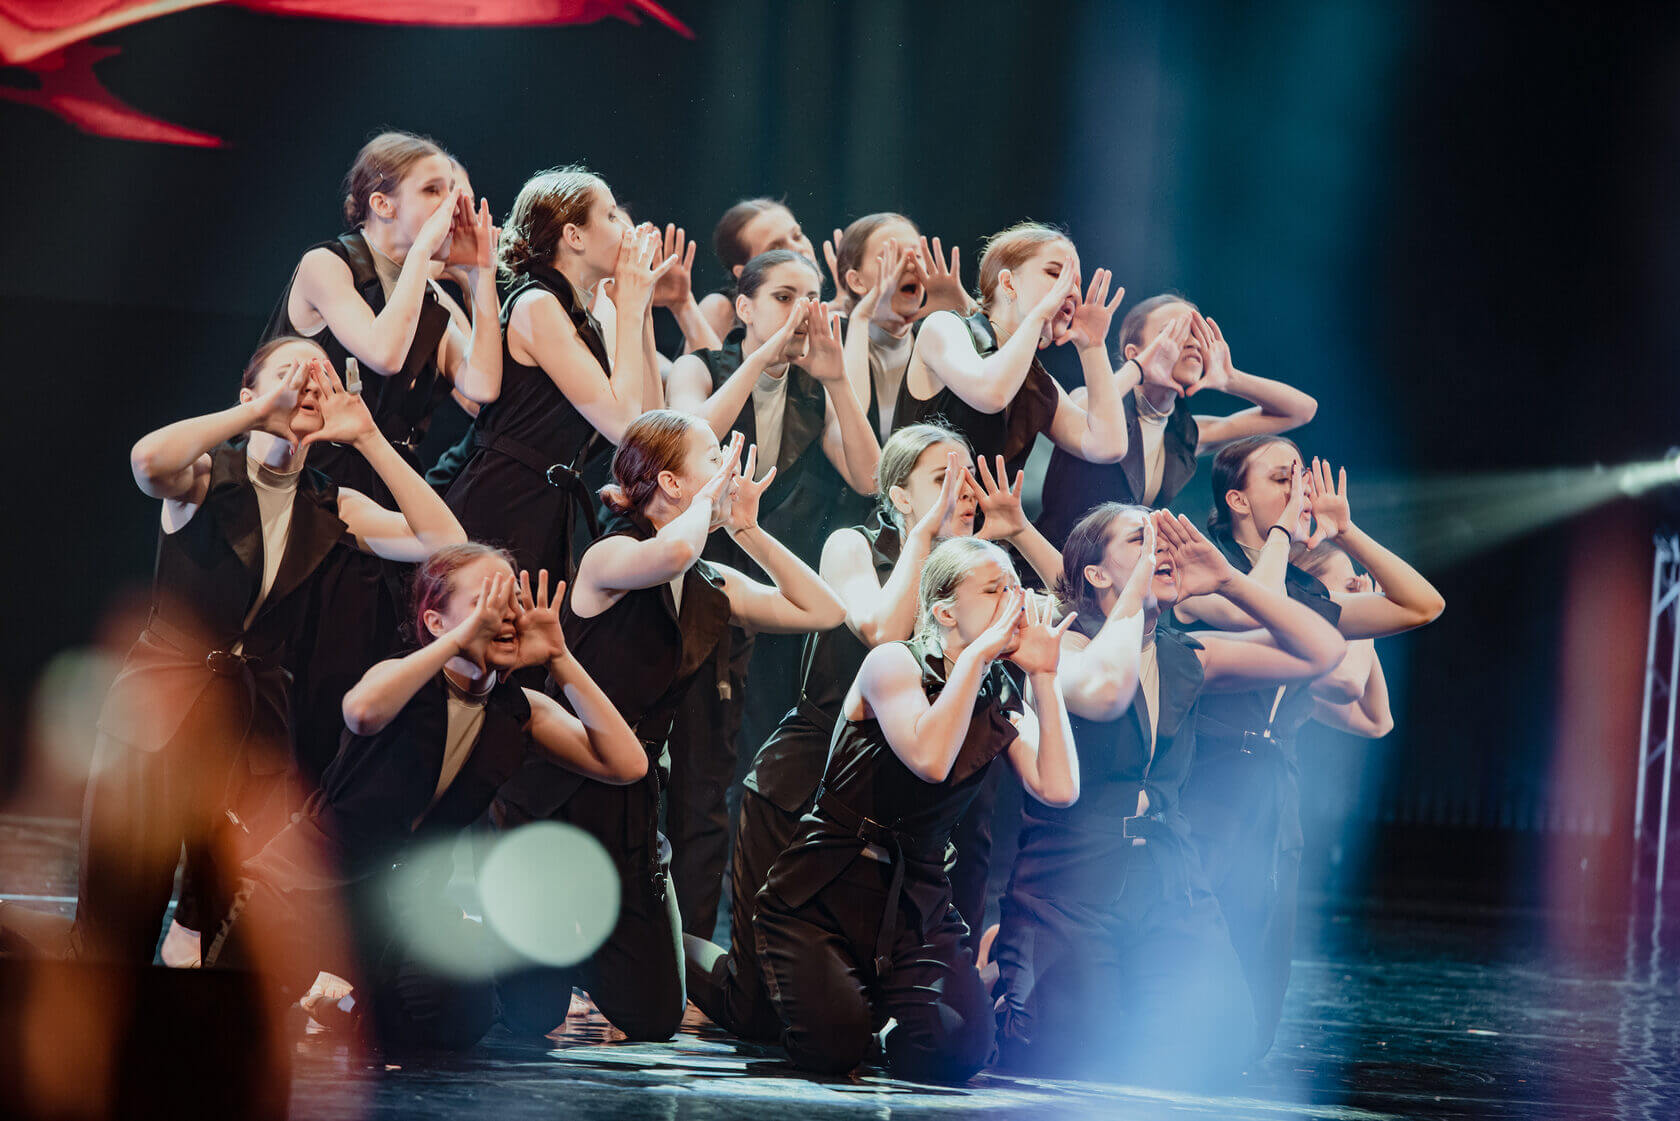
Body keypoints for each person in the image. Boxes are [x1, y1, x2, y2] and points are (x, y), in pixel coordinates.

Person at [0, 339, 466, 966]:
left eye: (320, 377)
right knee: (116, 926)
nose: (308, 384)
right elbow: (146, 459)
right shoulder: (203, 476)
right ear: (249, 395)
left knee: (223, 928)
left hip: (252, 726)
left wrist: (368, 438)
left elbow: (448, 544)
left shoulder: (330, 502)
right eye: (290, 373)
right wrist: (255, 415)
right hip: (156, 715)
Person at [684, 423, 1061, 1040]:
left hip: (912, 804)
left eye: (969, 479)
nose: (964, 492)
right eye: (944, 479)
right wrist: (923, 537)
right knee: (758, 1010)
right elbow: (882, 630)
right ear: (900, 495)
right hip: (810, 785)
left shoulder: (978, 573)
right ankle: (666, 948)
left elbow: (1070, 611)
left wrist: (1017, 533)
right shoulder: (853, 544)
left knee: (920, 1014)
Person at [203, 546, 645, 1053]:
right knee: (225, 1025)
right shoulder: (401, 678)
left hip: (401, 908)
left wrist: (560, 659)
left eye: (514, 602)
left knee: (460, 1015)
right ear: (435, 621)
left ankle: (342, 1005)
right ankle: (309, 984)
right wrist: (458, 640)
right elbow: (361, 711)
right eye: (486, 601)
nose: (505, 615)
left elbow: (627, 764)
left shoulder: (519, 710)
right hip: (309, 884)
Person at [490, 412, 845, 1042]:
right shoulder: (610, 554)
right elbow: (672, 551)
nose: (728, 467)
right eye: (714, 458)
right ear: (672, 484)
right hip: (561, 786)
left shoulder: (709, 582)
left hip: (631, 798)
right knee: (530, 1016)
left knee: (654, 1017)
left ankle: (597, 951)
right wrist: (712, 503)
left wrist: (747, 528)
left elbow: (822, 609)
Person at [992, 504, 1347, 1087]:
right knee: (1071, 1054)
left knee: (1221, 1047)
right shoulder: (1060, 650)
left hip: (1168, 878)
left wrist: (1229, 581)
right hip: (1073, 883)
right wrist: (1138, 594)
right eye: (1141, 539)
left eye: (1164, 538)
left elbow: (1323, 652)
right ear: (1096, 574)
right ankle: (1003, 976)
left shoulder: (1184, 655)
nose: (1161, 549)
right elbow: (1107, 690)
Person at [750, 538, 1079, 1082]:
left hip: (915, 897)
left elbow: (1058, 788)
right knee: (831, 1048)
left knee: (962, 1052)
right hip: (826, 888)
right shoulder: (893, 662)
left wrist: (1044, 677)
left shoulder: (997, 689)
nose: (1015, 601)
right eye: (995, 590)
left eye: (1015, 588)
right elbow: (930, 759)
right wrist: (977, 657)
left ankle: (881, 1022)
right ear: (946, 613)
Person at [1174, 441, 1445, 1057]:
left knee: (1262, 978)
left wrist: (1347, 533)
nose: (1300, 490)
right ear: (1237, 499)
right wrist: (1280, 535)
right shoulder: (1201, 565)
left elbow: (1421, 605)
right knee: (1196, 946)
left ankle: (1235, 1055)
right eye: (1282, 478)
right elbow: (1255, 610)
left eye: (1302, 477)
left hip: (1273, 791)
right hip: (1201, 784)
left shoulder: (1302, 590)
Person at [661, 253, 879, 937]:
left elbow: (870, 476)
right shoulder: (702, 365)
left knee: (773, 768)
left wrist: (838, 378)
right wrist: (761, 357)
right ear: (745, 306)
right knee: (701, 774)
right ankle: (693, 937)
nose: (802, 312)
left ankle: (761, 930)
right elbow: (685, 444)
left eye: (812, 298)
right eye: (785, 296)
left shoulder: (819, 384)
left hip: (786, 593)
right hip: (710, 586)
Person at [442, 167, 675, 582]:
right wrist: (630, 308)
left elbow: (648, 430)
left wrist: (640, 313)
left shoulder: (577, 315)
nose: (627, 229)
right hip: (501, 500)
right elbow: (623, 425)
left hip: (544, 505)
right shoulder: (537, 304)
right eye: (611, 216)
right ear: (574, 236)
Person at [261, 130, 501, 500]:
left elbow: (482, 389)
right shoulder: (326, 265)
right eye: (433, 190)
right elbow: (384, 354)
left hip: (387, 485)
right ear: (382, 204)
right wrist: (423, 250)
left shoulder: (427, 295)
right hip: (310, 478)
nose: (453, 205)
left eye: (453, 191)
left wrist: (479, 276)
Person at [1036, 293, 1318, 547]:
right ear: (1134, 354)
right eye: (1174, 332)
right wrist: (1138, 369)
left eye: (1196, 333)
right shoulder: (1090, 401)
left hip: (1118, 577)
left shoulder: (1184, 433)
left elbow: (1301, 411)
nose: (1192, 342)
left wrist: (1231, 379)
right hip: (1048, 570)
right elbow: (1080, 412)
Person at [893, 221, 1133, 481]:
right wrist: (1040, 315)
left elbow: (1108, 445)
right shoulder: (945, 327)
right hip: (916, 505)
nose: (1072, 292)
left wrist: (1092, 347)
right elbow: (991, 392)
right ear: (1008, 283)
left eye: (1076, 283)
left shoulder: (1038, 384)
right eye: (1056, 274)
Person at [699, 197, 819, 341]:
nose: (799, 248)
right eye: (776, 249)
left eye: (797, 236)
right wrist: (684, 307)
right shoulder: (719, 308)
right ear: (744, 272)